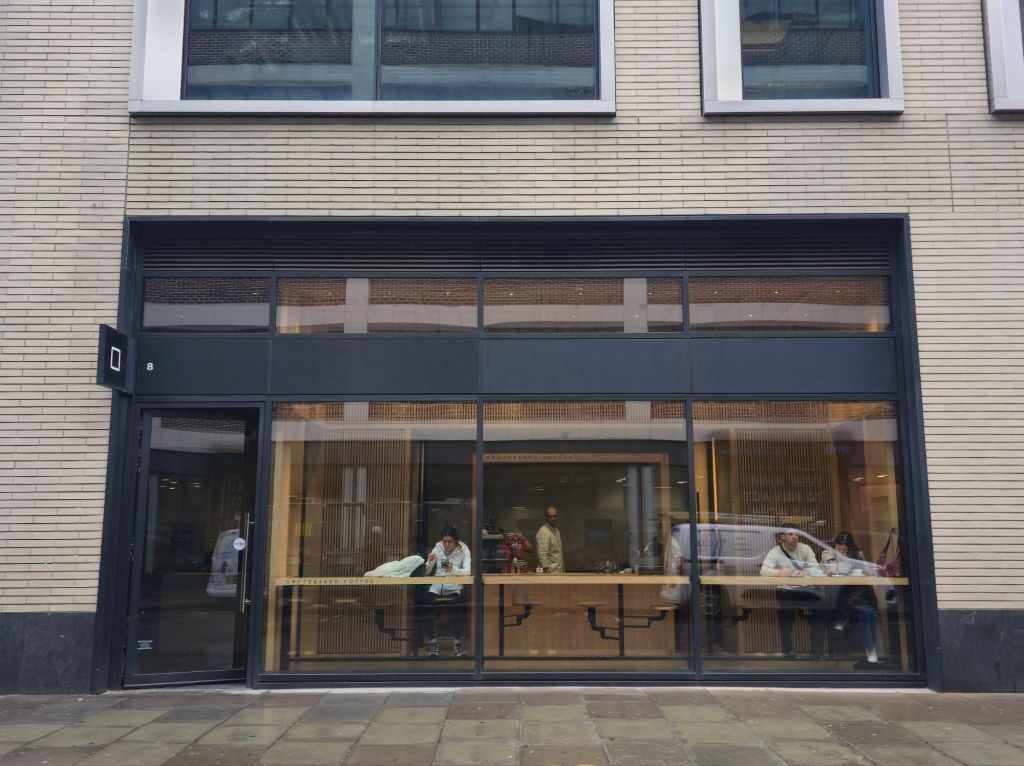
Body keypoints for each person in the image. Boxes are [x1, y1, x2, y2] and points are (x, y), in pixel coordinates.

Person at [760, 526, 827, 659]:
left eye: (796, 534)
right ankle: (788, 651)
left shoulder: (805, 548)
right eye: (790, 534)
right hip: (787, 589)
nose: (794, 537)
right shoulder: (776, 551)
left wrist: (805, 572)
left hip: (807, 588)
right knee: (785, 615)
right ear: (782, 537)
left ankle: (816, 651)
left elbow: (816, 569)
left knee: (822, 610)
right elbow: (763, 570)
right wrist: (779, 572)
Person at [822, 531, 881, 664]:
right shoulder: (828, 553)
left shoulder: (856, 555)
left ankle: (870, 648)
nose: (841, 552)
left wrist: (860, 560)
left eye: (844, 549)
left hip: (856, 596)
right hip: (836, 596)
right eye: (838, 548)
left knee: (870, 613)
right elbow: (827, 566)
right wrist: (832, 566)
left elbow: (870, 572)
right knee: (842, 589)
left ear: (850, 548)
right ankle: (842, 618)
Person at [423, 526, 471, 658]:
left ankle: (457, 643)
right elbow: (426, 571)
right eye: (444, 541)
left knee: (457, 609)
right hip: (436, 587)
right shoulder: (437, 548)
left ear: (456, 541)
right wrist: (429, 562)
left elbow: (467, 571)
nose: (446, 544)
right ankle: (433, 642)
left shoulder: (464, 549)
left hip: (454, 587)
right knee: (425, 609)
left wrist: (451, 569)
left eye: (450, 541)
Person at [535, 506, 564, 573]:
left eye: (555, 516)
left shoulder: (556, 531)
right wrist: (548, 573)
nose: (553, 518)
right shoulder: (543, 531)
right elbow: (542, 554)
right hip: (550, 573)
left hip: (557, 571)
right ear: (546, 517)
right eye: (550, 516)